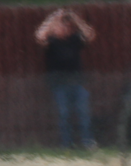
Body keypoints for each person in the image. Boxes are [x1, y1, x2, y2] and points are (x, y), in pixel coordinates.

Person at [35, 8, 96, 150]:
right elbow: (39, 36)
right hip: (59, 85)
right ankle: (66, 145)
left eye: (68, 26)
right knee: (64, 115)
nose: (65, 28)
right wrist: (53, 19)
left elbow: (89, 35)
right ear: (55, 28)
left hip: (78, 84)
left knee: (84, 114)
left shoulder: (75, 40)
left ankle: (87, 143)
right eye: (62, 26)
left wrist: (76, 19)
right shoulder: (51, 41)